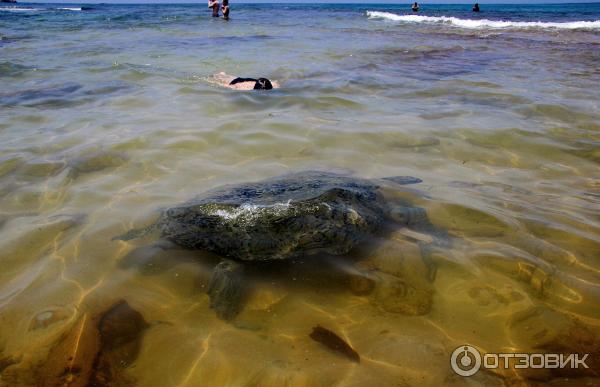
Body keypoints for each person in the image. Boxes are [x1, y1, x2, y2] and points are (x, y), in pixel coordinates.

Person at [212, 72, 279, 90]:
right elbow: (230, 86)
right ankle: (221, 74)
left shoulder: (273, 85)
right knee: (222, 78)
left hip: (248, 80)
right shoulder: (242, 88)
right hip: (237, 81)